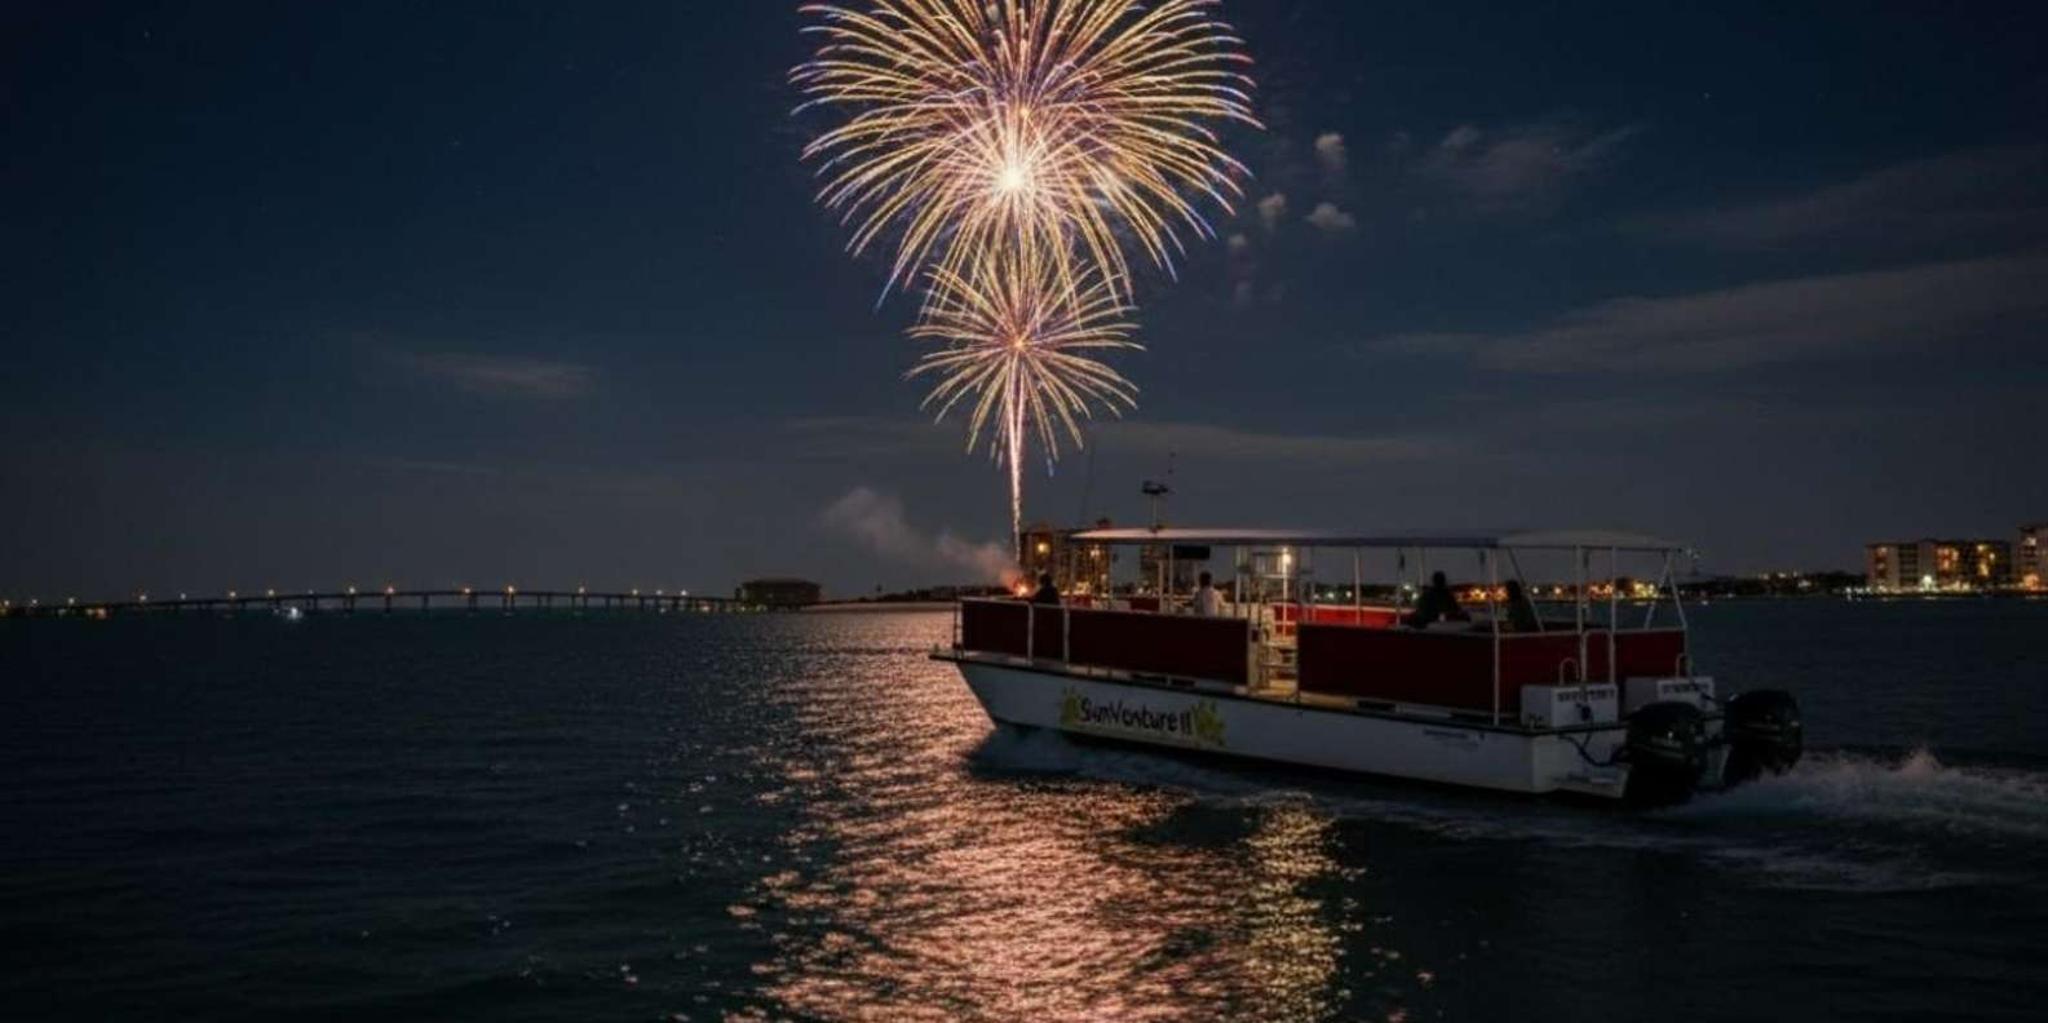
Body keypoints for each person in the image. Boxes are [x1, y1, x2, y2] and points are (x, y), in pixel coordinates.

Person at [1404, 571, 1471, 628]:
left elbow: (1454, 609)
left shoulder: (1443, 595)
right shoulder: (1444, 595)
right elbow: (1455, 609)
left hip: (1435, 622)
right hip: (1434, 622)